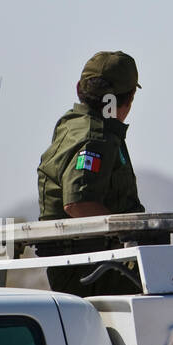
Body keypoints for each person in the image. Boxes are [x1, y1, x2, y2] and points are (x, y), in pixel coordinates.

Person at [36, 51, 146, 297]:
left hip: (90, 264)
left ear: (79, 89)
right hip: (89, 272)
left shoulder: (72, 124)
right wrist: (128, 234)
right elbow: (78, 203)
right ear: (128, 100)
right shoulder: (95, 138)